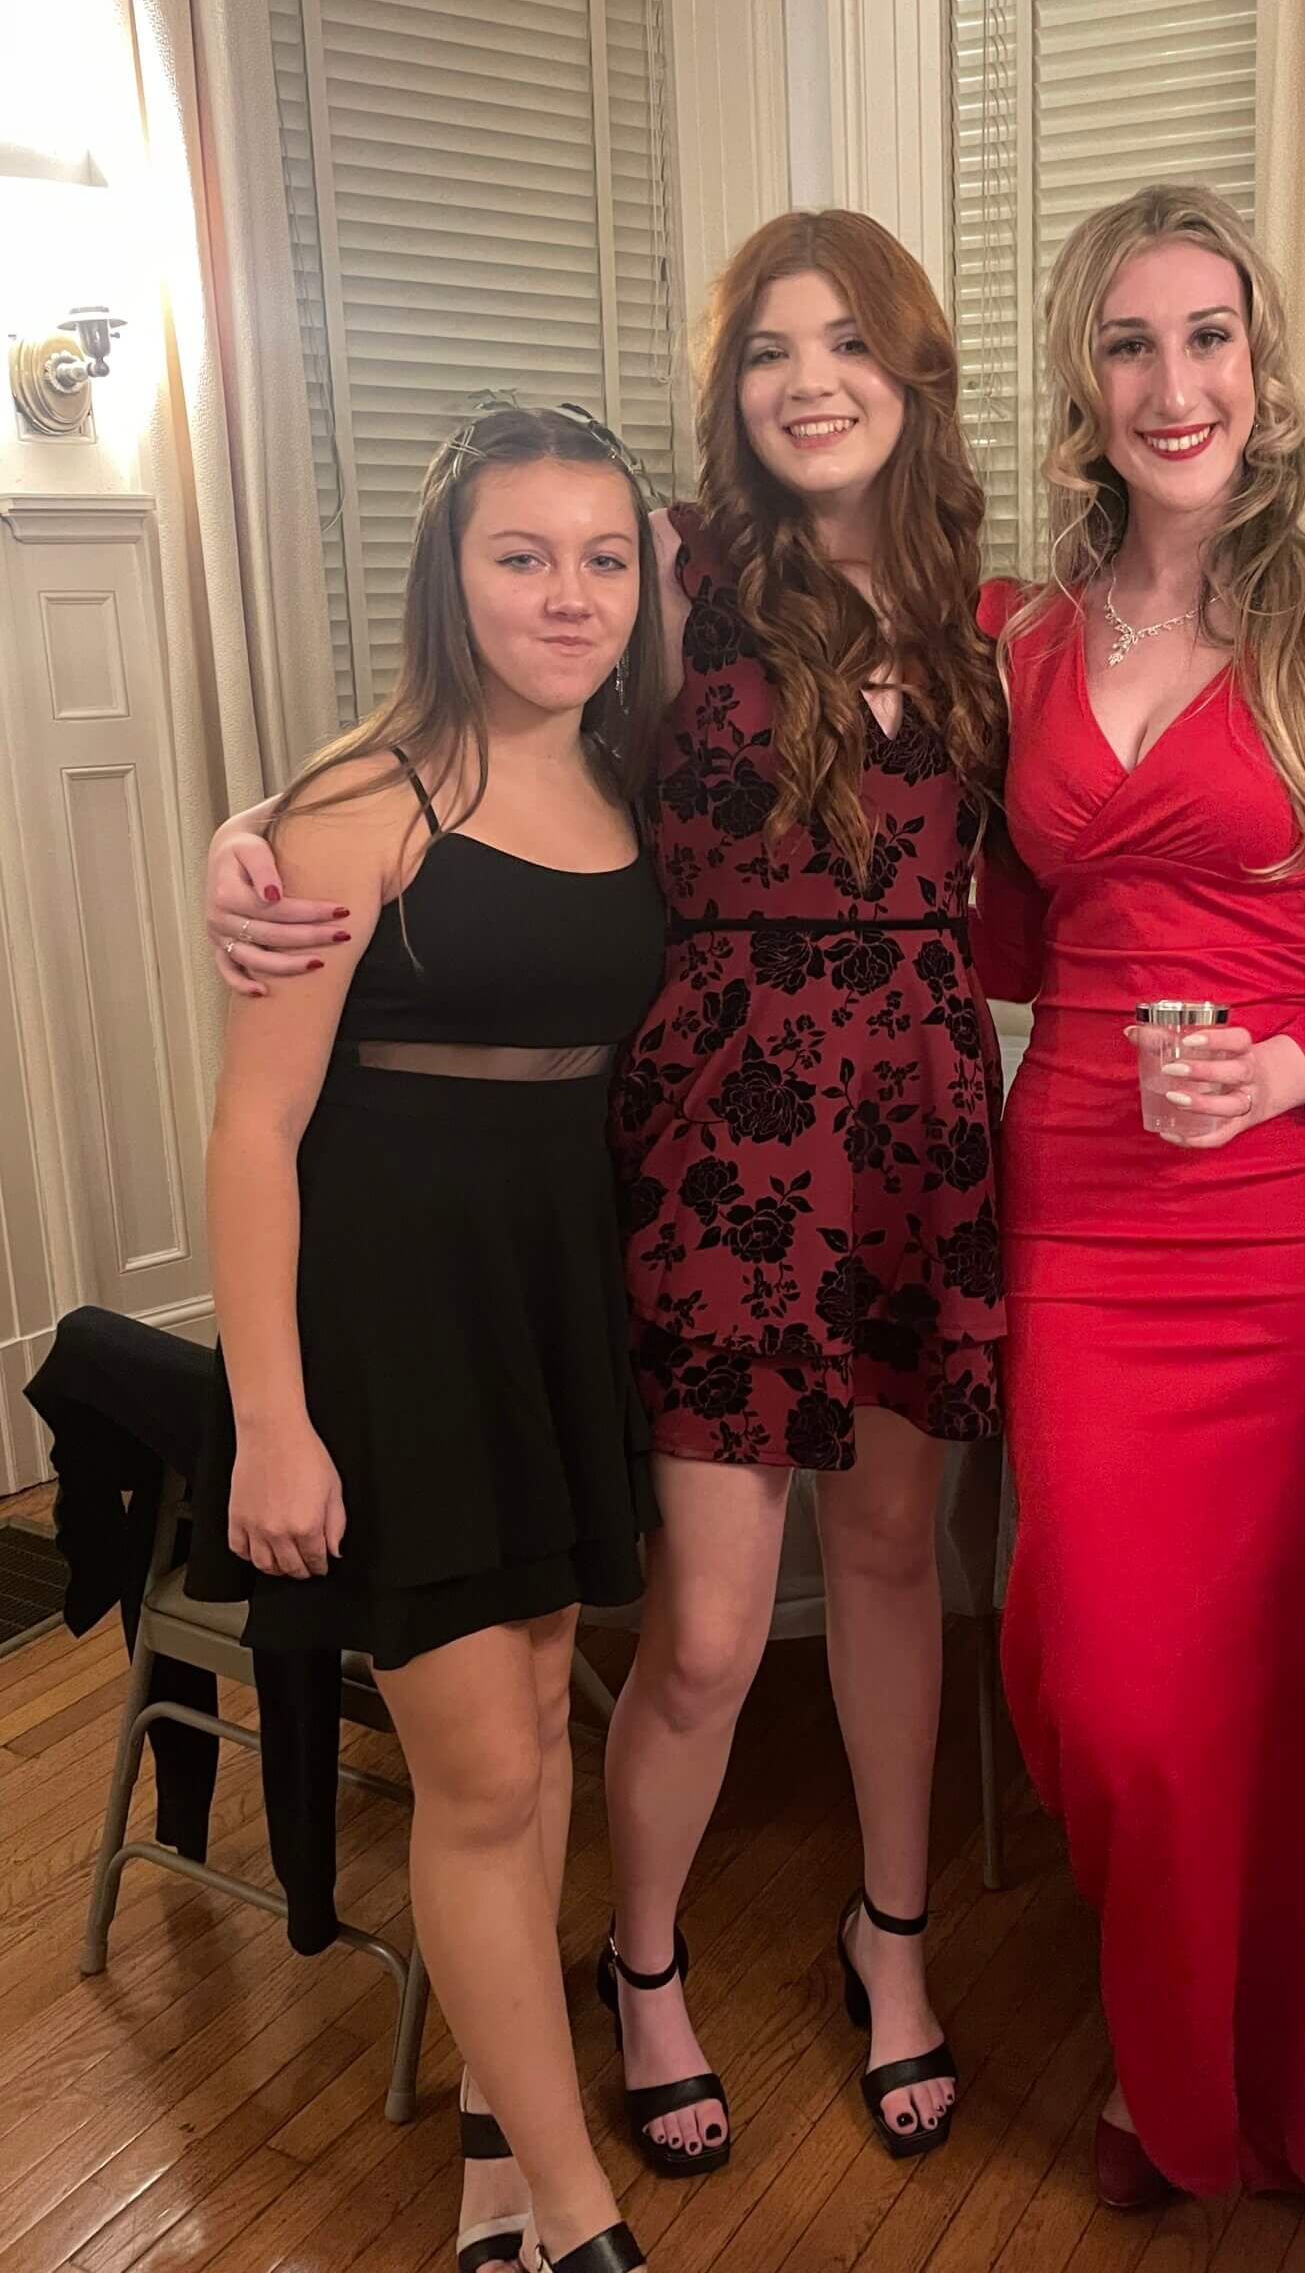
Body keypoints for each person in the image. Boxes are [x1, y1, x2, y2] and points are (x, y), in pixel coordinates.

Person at [204, 211, 1009, 2176]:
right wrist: (254, 831)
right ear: (730, 387)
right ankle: (641, 1963)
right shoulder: (668, 572)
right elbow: (482, 732)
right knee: (712, 1630)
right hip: (715, 1138)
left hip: (915, 1127)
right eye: (771, 348)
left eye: (851, 341)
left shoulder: (991, 613)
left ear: (913, 371)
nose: (811, 380)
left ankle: (890, 1937)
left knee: (894, 1561)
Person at [972, 183, 1305, 2209]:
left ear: (1263, 368)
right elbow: (997, 926)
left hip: (1289, 1224)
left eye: (1209, 335)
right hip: (1077, 1201)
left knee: (1273, 1681)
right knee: (1095, 1685)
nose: (1173, 381)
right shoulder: (1021, 635)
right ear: (1087, 381)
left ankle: (1201, 2073)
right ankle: (1185, 2013)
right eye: (1131, 343)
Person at [192, 404, 664, 2273]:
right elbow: (254, 1132)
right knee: (480, 1782)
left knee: (537, 1738)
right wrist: (270, 1421)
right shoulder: (362, 801)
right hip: (396, 1328)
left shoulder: (625, 777)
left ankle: (493, 2132)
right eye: (520, 556)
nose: (567, 594)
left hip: (553, 1302)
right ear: (447, 576)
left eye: (604, 558)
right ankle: (577, 2208)